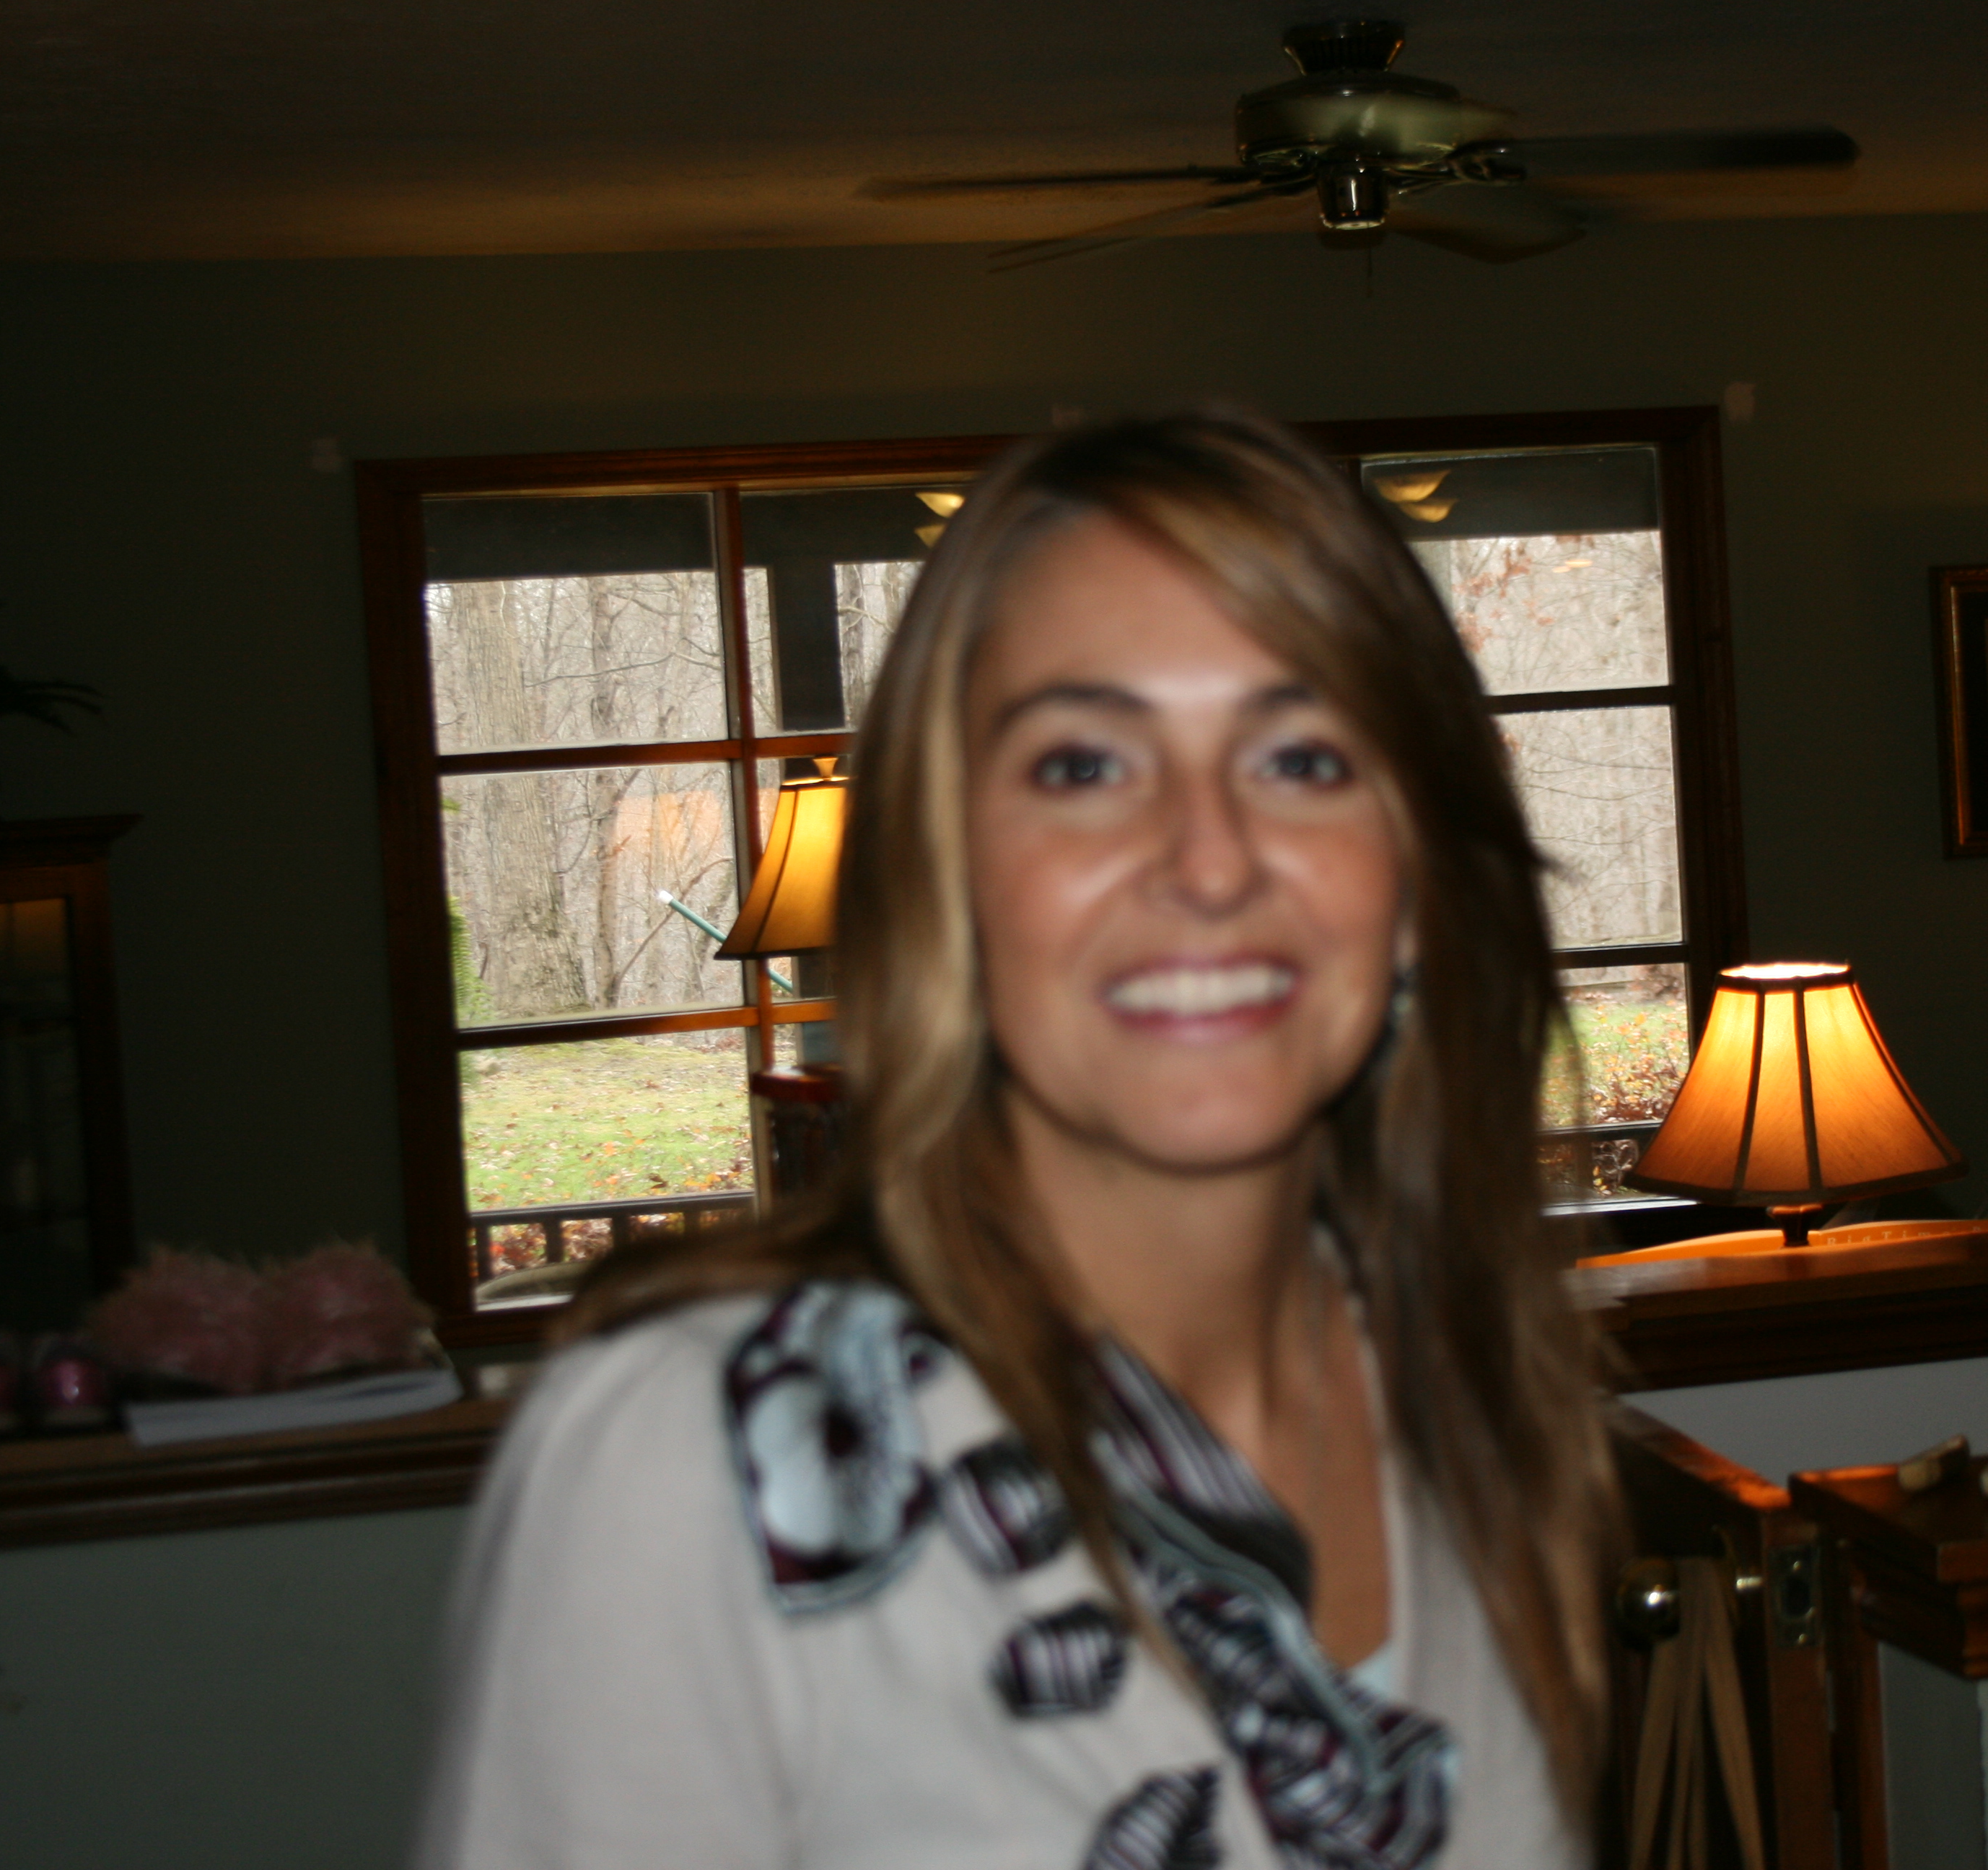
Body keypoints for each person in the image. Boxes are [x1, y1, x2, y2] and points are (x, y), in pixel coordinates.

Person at [411, 409, 1618, 1870]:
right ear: (948, 878)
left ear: (1417, 875)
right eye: (1082, 766)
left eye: (1303, 758)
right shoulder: (699, 1461)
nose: (1208, 859)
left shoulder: (1472, 1385)